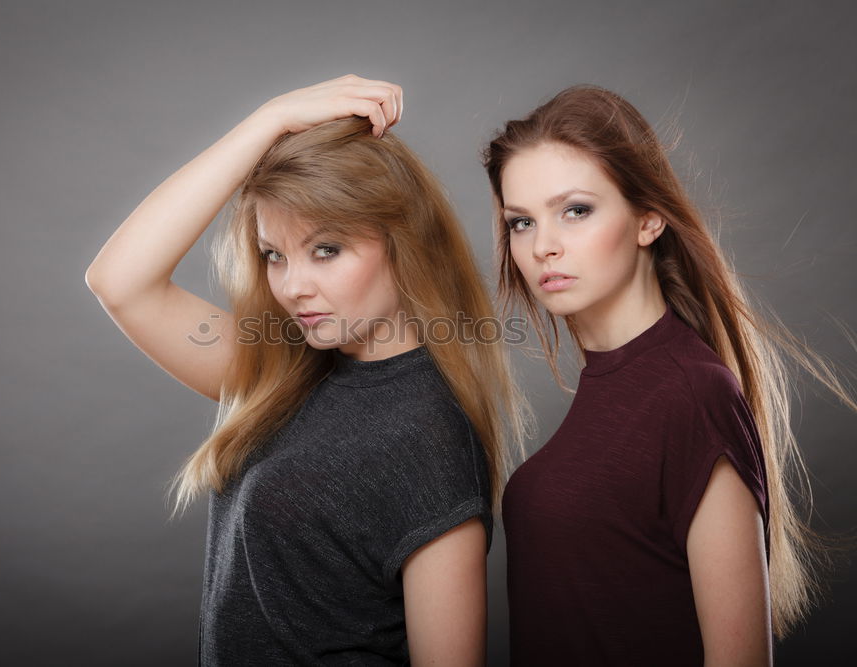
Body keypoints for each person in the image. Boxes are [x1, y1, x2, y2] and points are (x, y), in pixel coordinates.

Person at [85, 75, 524, 666]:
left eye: (326, 250)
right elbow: (120, 282)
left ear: (403, 243)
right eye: (275, 255)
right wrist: (268, 120)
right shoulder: (283, 369)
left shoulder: (430, 434)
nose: (293, 287)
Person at [483, 85, 853, 665]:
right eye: (522, 222)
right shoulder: (618, 385)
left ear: (648, 218)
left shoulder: (691, 391)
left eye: (575, 210)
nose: (543, 247)